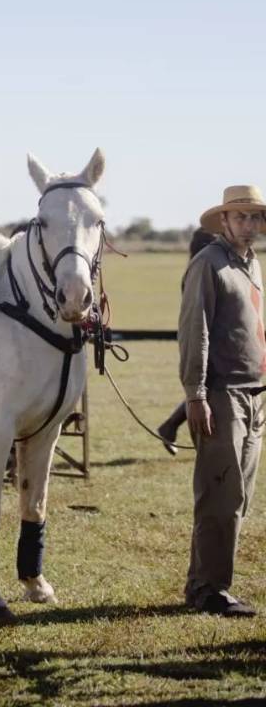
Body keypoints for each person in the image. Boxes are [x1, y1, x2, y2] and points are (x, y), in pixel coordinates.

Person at [178, 185, 266, 616]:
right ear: (224, 221)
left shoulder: (253, 266)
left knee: (240, 497)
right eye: (241, 217)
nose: (249, 226)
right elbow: (196, 332)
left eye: (255, 218)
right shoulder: (208, 264)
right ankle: (209, 591)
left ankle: (204, 584)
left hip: (256, 394)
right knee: (221, 495)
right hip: (222, 393)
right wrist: (195, 395)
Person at [157, 229, 217, 454]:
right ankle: (171, 426)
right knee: (206, 391)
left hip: (209, 339)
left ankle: (171, 427)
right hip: (206, 341)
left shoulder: (197, 269)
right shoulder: (200, 271)